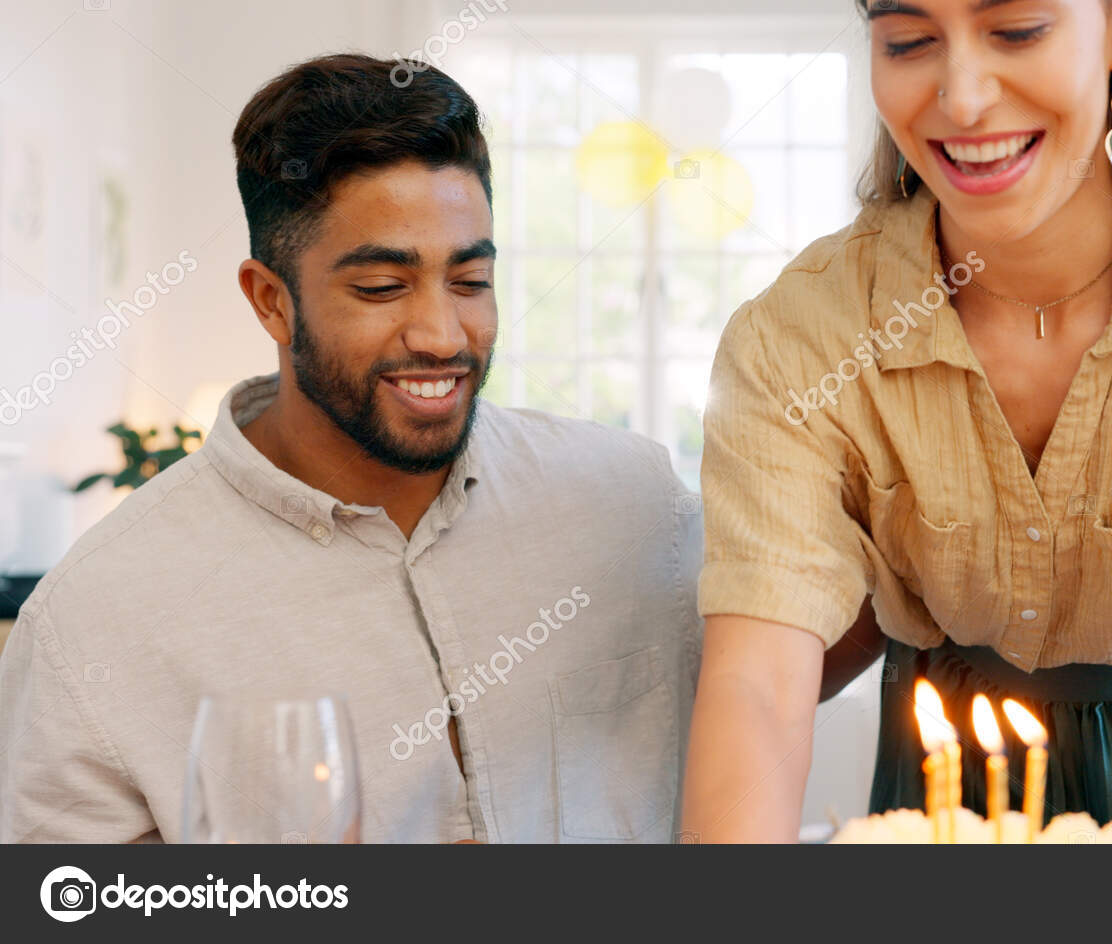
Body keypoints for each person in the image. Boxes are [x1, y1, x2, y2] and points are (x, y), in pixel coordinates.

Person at [683, 0, 1112, 843]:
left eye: (1016, 31)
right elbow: (756, 692)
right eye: (908, 42)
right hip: (949, 772)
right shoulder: (795, 335)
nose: (964, 98)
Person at [0, 54, 702, 843]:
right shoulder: (96, 620)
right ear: (272, 301)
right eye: (381, 289)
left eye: (469, 281)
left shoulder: (634, 501)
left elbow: (781, 667)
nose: (442, 336)